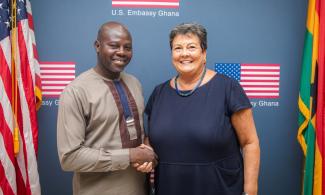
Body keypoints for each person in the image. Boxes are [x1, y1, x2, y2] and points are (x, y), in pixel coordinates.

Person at [145, 23, 260, 195]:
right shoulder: (159, 93)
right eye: (178, 48)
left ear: (204, 53)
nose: (184, 53)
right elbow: (152, 141)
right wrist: (147, 156)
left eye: (191, 47)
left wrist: (250, 190)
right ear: (172, 54)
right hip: (170, 187)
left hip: (219, 187)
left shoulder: (227, 88)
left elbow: (250, 143)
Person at [57, 21, 156, 195]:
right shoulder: (76, 91)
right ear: (97, 46)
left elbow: (137, 135)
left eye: (127, 47)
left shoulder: (134, 83)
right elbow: (69, 158)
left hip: (139, 188)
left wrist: (147, 153)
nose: (121, 52)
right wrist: (130, 155)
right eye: (114, 46)